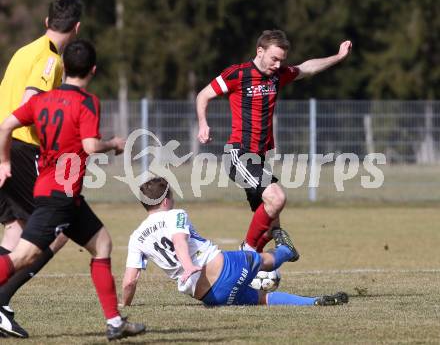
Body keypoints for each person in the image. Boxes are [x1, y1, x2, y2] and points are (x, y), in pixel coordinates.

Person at [0, 39, 146, 340]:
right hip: (59, 196)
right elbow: (90, 146)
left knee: (102, 244)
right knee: (22, 257)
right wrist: (114, 144)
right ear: (93, 70)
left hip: (59, 192)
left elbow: (5, 126)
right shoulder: (88, 102)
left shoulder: (41, 100)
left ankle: (115, 322)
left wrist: (4, 160)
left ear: (64, 67)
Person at [196, 29, 352, 255]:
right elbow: (203, 94)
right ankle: (247, 251)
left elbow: (307, 68)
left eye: (282, 60)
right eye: (274, 58)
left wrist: (337, 57)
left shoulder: (277, 75)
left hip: (259, 159)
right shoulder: (238, 74)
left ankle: (254, 269)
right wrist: (203, 123)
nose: (278, 65)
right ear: (260, 51)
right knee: (277, 197)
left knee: (271, 226)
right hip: (239, 155)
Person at [121, 177, 348, 308]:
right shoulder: (175, 214)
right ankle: (286, 251)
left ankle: (314, 302)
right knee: (261, 259)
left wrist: (126, 304)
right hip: (225, 268)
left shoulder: (136, 237)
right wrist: (189, 266)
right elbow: (179, 240)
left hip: (210, 297)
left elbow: (130, 281)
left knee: (263, 299)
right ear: (166, 200)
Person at [0, 0, 83, 337]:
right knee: (60, 227)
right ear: (77, 28)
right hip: (20, 149)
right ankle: (2, 300)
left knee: (17, 230)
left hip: (5, 147)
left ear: (47, 19)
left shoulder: (24, 51)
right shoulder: (50, 59)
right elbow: (29, 101)